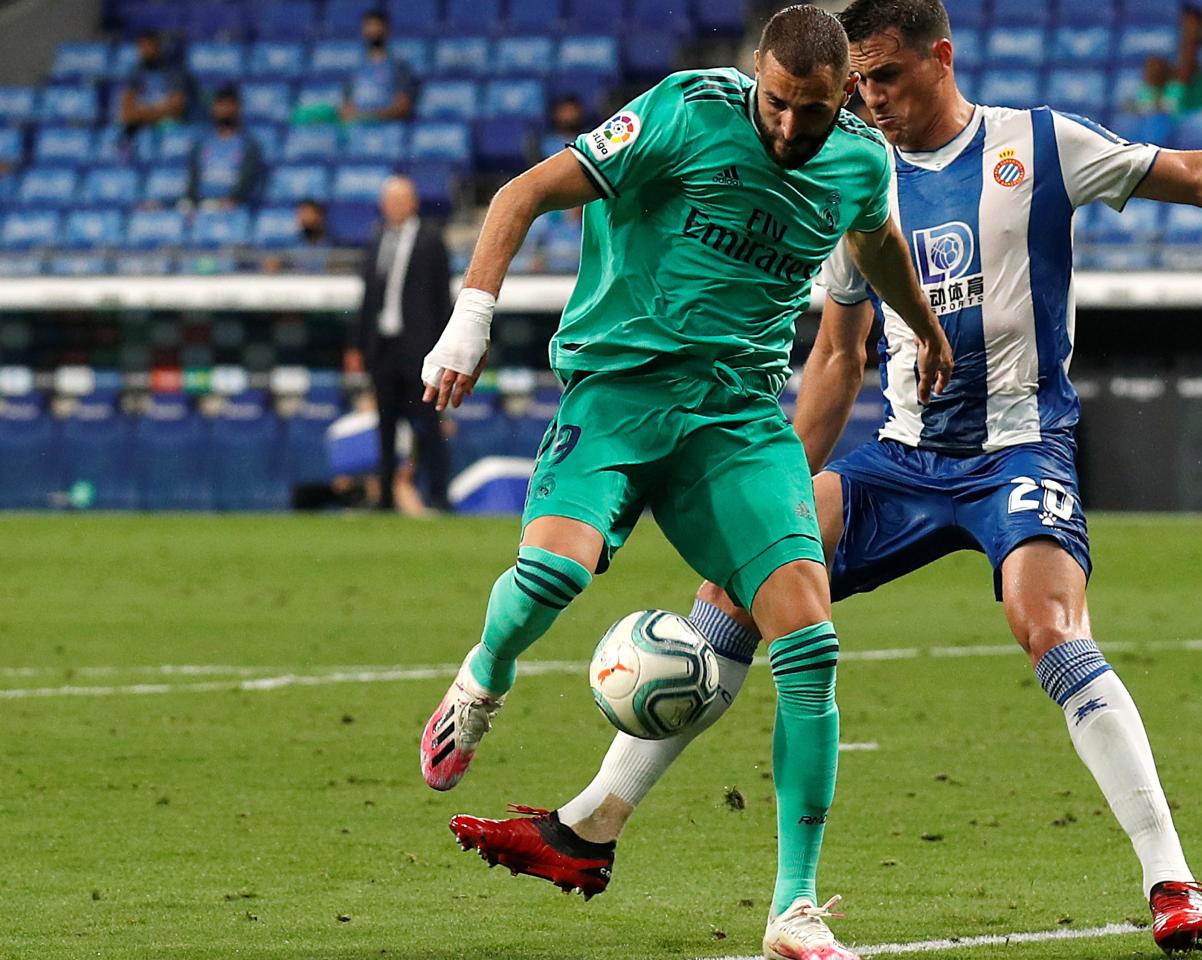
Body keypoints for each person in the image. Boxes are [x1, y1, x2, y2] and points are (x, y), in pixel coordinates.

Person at [534, 0, 1202, 954]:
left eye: (883, 78)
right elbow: (837, 359)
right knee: (741, 590)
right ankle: (591, 827)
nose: (867, 100)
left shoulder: (1038, 145)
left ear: (940, 58)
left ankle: (1171, 878)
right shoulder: (846, 178)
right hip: (905, 456)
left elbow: (1195, 175)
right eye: (858, 83)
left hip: (1019, 450)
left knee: (1047, 623)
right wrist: (775, 503)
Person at [416, 8, 952, 959]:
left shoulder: (860, 161)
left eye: (816, 113)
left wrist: (925, 324)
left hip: (736, 419)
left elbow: (876, 248)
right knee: (552, 577)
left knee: (811, 644)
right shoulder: (680, 112)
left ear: (844, 99)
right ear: (756, 75)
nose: (794, 130)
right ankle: (481, 680)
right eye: (781, 105)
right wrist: (473, 319)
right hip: (621, 387)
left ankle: (794, 909)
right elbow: (521, 193)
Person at [351, 176, 452, 512]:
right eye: (388, 200)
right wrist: (360, 346)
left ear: (413, 203)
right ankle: (384, 499)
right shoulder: (376, 238)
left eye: (399, 200)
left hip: (420, 350)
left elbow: (442, 300)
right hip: (384, 348)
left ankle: (438, 495)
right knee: (385, 426)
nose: (392, 207)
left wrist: (443, 349)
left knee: (428, 427)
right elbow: (367, 298)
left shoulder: (431, 240)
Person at [187, 88, 264, 208]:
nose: (225, 109)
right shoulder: (201, 143)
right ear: (213, 108)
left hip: (232, 206)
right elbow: (193, 178)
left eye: (229, 104)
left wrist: (234, 199)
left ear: (238, 108)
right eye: (221, 104)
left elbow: (248, 179)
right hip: (201, 205)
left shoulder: (248, 145)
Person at [341, 8, 416, 123]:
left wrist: (370, 117)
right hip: (358, 130)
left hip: (388, 129)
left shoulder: (399, 66)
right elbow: (346, 107)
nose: (373, 30)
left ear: (387, 30)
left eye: (377, 26)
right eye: (369, 26)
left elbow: (403, 106)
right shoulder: (355, 69)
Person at [119, 30, 190, 131]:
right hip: (142, 122)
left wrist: (143, 113)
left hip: (166, 125)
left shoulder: (173, 71)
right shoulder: (135, 72)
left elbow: (177, 107)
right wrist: (152, 112)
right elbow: (126, 110)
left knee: (170, 126)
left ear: (157, 46)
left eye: (148, 46)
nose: (145, 50)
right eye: (141, 46)